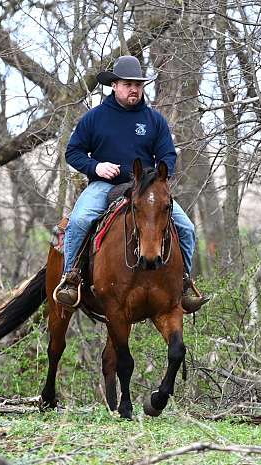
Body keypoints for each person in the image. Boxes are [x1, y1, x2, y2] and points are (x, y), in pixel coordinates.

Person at [55, 55, 208, 313]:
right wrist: (96, 167)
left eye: (138, 84)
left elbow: (168, 155)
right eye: (127, 84)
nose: (134, 89)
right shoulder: (95, 118)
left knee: (187, 227)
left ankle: (184, 284)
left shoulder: (153, 120)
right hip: (104, 185)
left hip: (145, 188)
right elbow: (73, 152)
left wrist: (158, 177)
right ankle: (71, 279)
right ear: (114, 85)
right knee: (79, 221)